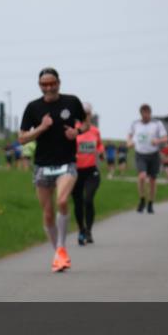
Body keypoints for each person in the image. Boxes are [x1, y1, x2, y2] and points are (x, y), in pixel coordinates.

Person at [18, 67, 87, 273]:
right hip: (42, 166)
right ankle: (58, 253)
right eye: (44, 84)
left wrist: (77, 131)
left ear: (59, 83)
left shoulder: (72, 102)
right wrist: (41, 127)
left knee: (63, 201)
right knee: (48, 215)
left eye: (52, 83)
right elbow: (22, 138)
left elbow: (85, 123)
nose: (48, 87)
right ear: (40, 86)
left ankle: (61, 247)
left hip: (67, 162)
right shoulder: (33, 107)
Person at [127, 104, 168, 214]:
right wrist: (129, 142)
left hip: (153, 154)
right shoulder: (135, 124)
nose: (145, 115)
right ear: (141, 113)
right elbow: (130, 135)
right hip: (140, 154)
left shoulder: (157, 123)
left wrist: (157, 141)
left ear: (150, 113)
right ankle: (142, 199)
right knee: (142, 176)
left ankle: (150, 203)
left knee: (153, 180)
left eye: (147, 113)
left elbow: (165, 138)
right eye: (143, 113)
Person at [72, 104, 104, 245]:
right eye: (83, 113)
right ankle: (81, 230)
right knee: (78, 202)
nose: (86, 115)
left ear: (91, 115)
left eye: (88, 113)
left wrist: (101, 152)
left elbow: (99, 145)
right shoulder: (74, 131)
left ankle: (89, 231)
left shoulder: (95, 131)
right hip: (76, 171)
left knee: (88, 200)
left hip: (92, 171)